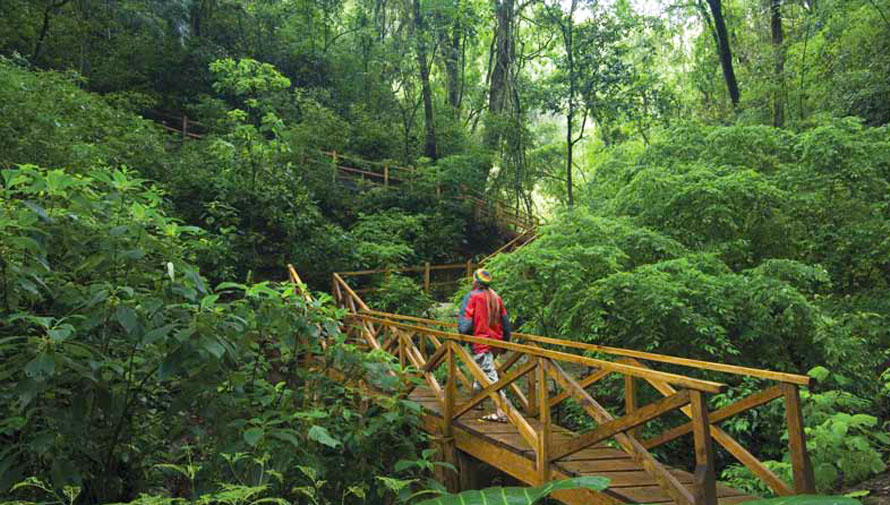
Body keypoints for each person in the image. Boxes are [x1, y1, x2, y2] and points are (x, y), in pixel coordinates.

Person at [458, 268, 512, 422]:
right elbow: (506, 323)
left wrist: (462, 336)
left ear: (475, 281)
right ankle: (478, 403)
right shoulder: (496, 297)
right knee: (481, 372)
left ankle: (502, 411)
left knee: (490, 377)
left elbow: (466, 324)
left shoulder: (472, 296)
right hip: (495, 342)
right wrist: (505, 342)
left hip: (481, 342)